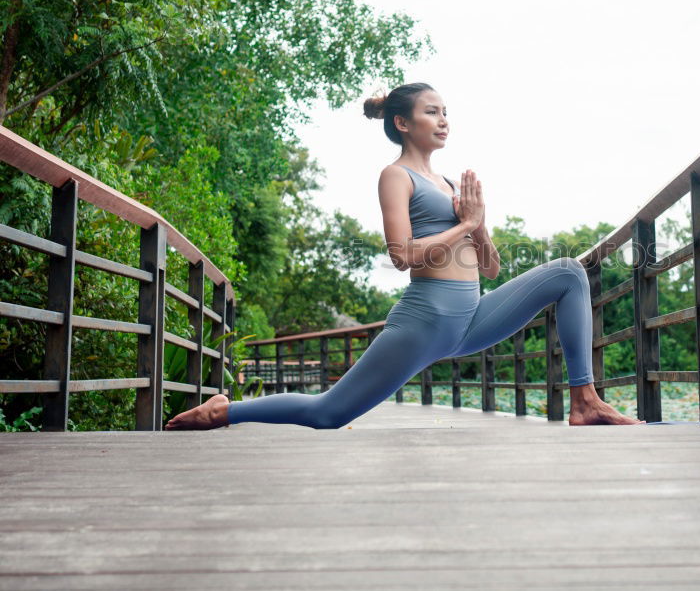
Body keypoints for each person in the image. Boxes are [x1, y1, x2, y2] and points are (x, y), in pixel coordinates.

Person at [166, 82, 644, 430]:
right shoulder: (396, 176)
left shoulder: (455, 185)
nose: (444, 121)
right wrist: (466, 224)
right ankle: (225, 410)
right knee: (328, 413)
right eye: (432, 112)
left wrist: (479, 224)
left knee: (568, 273)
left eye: (446, 112)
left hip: (472, 317)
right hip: (425, 320)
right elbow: (401, 256)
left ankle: (585, 401)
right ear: (402, 122)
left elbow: (492, 268)